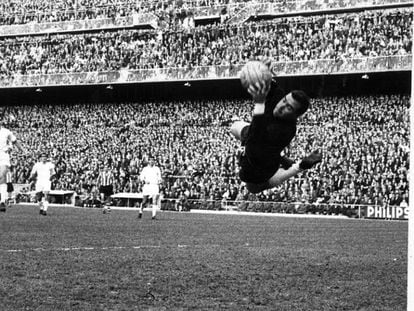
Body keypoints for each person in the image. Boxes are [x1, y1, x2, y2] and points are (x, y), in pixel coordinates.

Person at [230, 65, 322, 194]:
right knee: (234, 127)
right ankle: (289, 162)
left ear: (296, 115)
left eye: (288, 108)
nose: (281, 106)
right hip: (261, 145)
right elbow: (270, 84)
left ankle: (298, 166)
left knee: (253, 188)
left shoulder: (285, 130)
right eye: (284, 101)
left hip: (260, 165)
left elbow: (255, 140)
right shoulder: (278, 95)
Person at [0, 122, 23, 212]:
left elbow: (15, 141)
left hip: (3, 156)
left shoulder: (6, 132)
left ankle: (2, 202)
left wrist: (22, 150)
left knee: (2, 177)